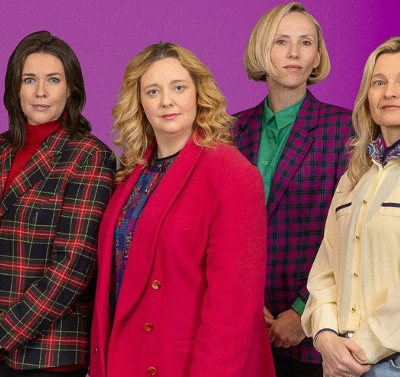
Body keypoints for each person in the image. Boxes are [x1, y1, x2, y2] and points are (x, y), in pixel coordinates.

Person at [90, 42, 274, 377]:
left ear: (198, 93)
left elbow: (232, 311)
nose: (167, 101)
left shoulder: (232, 175)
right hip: (127, 358)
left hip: (185, 365)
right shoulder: (133, 173)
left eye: (178, 87)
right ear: (140, 102)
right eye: (153, 91)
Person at [0, 30, 115, 376]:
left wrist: (5, 330)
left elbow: (76, 262)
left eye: (53, 80)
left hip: (51, 352)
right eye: (29, 79)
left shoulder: (90, 155)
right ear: (14, 89)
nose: (41, 92)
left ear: (71, 88)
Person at [232, 2, 353, 377]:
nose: (294, 52)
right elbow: (221, 232)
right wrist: (247, 302)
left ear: (318, 56)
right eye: (281, 41)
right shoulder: (231, 131)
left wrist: (303, 311)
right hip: (242, 322)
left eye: (306, 42)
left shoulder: (343, 129)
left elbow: (347, 234)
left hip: (315, 331)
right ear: (261, 50)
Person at [302, 36, 400, 377]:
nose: (389, 92)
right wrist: (326, 336)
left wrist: (359, 350)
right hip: (342, 360)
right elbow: (324, 270)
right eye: (379, 82)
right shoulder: (355, 177)